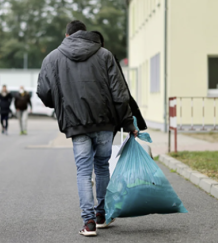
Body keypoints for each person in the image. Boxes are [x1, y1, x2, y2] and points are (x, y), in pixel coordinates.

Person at [37, 20, 138, 237]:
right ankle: (102, 215)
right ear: (86, 34)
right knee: (102, 166)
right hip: (104, 121)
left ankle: (89, 222)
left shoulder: (53, 57)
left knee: (83, 171)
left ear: (67, 36)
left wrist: (60, 103)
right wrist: (129, 122)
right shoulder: (105, 55)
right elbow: (120, 94)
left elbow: (43, 91)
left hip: (75, 123)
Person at [91, 30, 147, 133]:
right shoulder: (109, 58)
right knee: (104, 148)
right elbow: (120, 91)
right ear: (102, 44)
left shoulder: (78, 62)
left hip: (86, 120)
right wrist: (128, 122)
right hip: (109, 117)